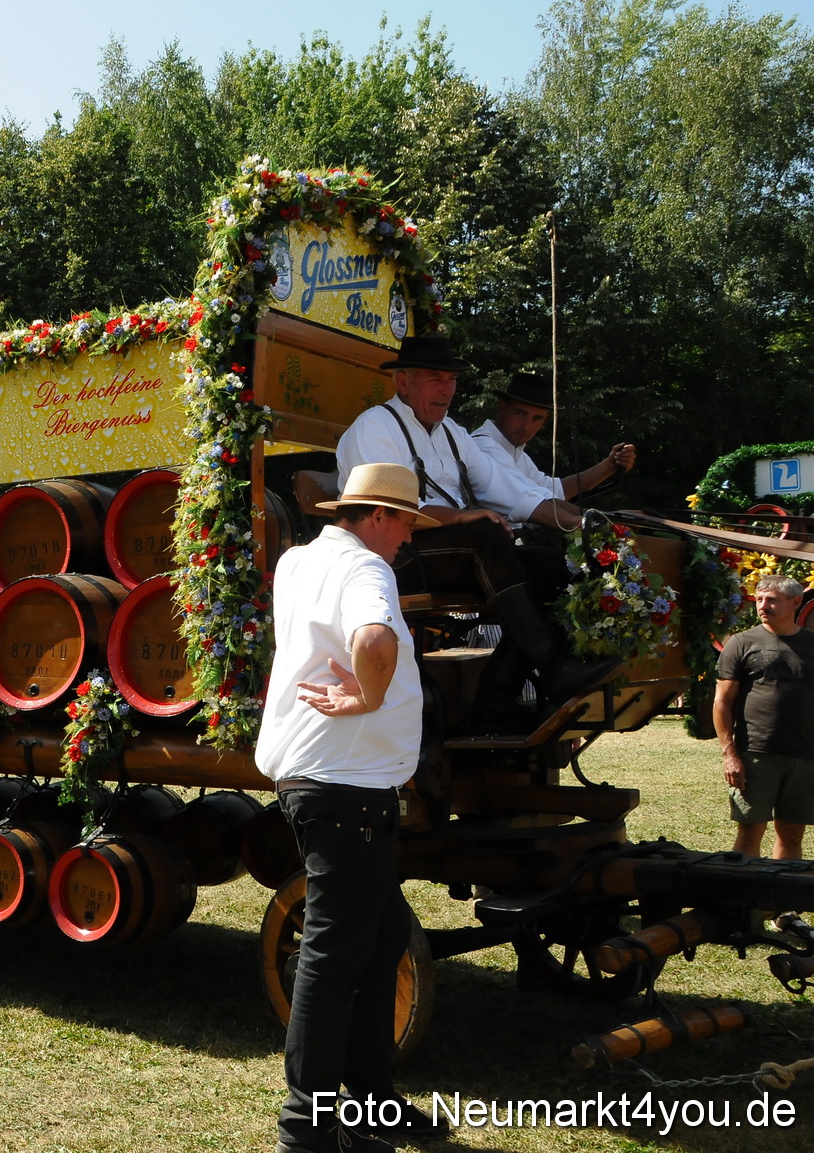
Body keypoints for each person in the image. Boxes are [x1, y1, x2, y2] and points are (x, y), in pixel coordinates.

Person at [259, 464, 447, 1153]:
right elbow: (373, 640)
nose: (407, 537)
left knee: (383, 934)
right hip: (346, 787)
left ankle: (371, 1106)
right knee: (335, 954)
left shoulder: (297, 561)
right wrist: (368, 698)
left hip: (319, 781)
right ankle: (305, 1129)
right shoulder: (367, 568)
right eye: (404, 522)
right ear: (376, 516)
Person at [334, 334, 618, 715]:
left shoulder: (453, 433)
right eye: (436, 379)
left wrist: (584, 523)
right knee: (485, 534)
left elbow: (512, 492)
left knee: (553, 567)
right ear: (403, 382)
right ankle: (554, 668)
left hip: (453, 552)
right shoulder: (375, 427)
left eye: (452, 380)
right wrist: (462, 516)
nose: (447, 390)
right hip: (394, 555)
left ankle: (496, 696)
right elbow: (392, 510)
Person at [713, 575, 814, 860]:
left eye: (772, 600)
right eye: (759, 599)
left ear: (796, 602)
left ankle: (784, 890)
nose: (763, 606)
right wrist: (729, 754)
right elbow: (722, 701)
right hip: (755, 754)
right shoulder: (741, 643)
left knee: (792, 834)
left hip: (804, 755)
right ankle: (745, 890)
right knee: (750, 831)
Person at [470, 373, 636, 522]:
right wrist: (609, 521)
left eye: (537, 418)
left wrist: (610, 466)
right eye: (520, 413)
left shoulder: (517, 454)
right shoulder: (484, 446)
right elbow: (535, 500)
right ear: (502, 408)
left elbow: (554, 491)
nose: (526, 426)